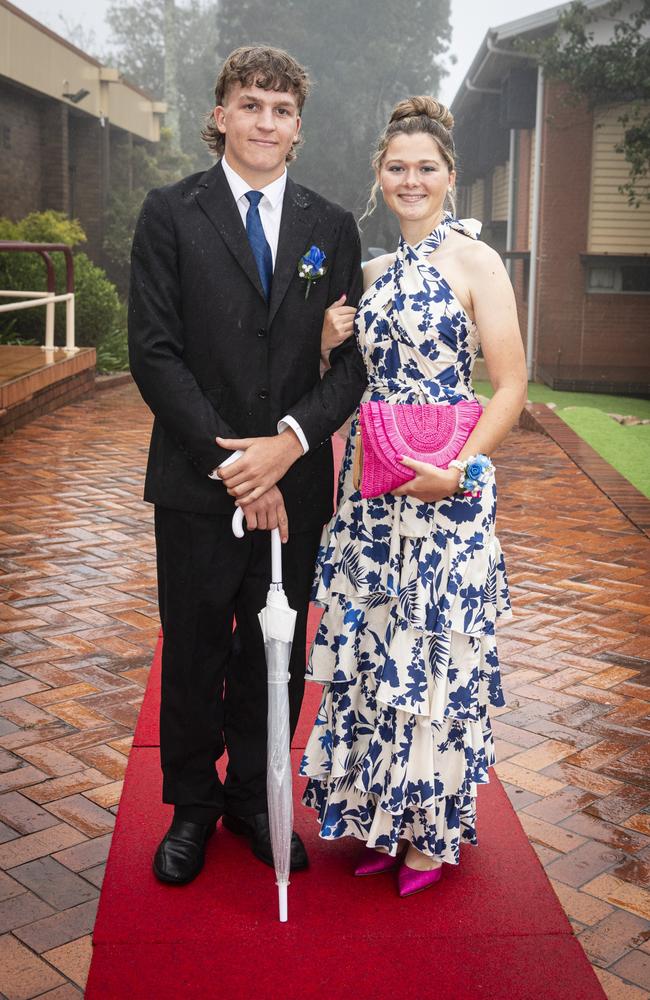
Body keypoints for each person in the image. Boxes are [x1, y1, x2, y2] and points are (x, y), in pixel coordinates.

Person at [128, 45, 366, 885]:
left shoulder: (332, 227)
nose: (266, 121)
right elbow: (153, 354)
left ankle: (251, 803)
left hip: (296, 483)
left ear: (298, 128)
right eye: (251, 104)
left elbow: (352, 366)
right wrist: (237, 467)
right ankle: (193, 804)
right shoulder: (170, 213)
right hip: (197, 482)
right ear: (221, 114)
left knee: (274, 653)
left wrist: (289, 445)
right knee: (194, 647)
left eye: (282, 109)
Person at [299, 96, 528, 896]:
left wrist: (460, 469)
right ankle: (379, 819)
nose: (410, 178)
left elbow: (511, 385)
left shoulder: (477, 262)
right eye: (396, 167)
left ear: (450, 176)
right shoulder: (366, 273)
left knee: (432, 657)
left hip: (446, 490)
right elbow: (345, 379)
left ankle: (429, 834)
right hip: (373, 488)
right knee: (375, 652)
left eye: (425, 167)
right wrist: (328, 340)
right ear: (379, 176)